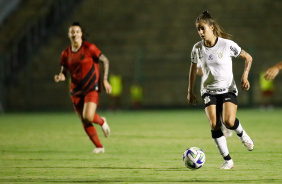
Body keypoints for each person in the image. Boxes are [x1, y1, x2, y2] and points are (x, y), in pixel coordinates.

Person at [187, 11, 254, 169]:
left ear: (211, 27)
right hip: (209, 91)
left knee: (229, 122)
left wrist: (245, 76)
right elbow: (192, 69)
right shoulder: (197, 48)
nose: (200, 32)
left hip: (228, 89)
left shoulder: (226, 44)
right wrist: (190, 91)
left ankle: (242, 134)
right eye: (198, 29)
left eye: (203, 28)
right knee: (214, 124)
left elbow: (248, 58)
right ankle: (228, 161)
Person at [54, 22, 112, 154]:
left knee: (88, 115)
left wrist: (105, 80)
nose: (74, 34)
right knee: (84, 120)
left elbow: (105, 60)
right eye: (72, 32)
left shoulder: (89, 48)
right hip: (75, 90)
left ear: (81, 34)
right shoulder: (65, 54)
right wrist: (60, 77)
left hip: (91, 87)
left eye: (77, 31)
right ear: (69, 35)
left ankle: (102, 121)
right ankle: (99, 147)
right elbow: (64, 72)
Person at [197, 66, 233, 138]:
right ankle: (221, 128)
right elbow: (199, 71)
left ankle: (227, 126)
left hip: (220, 86)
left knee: (222, 107)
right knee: (214, 110)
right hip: (207, 88)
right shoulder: (199, 56)